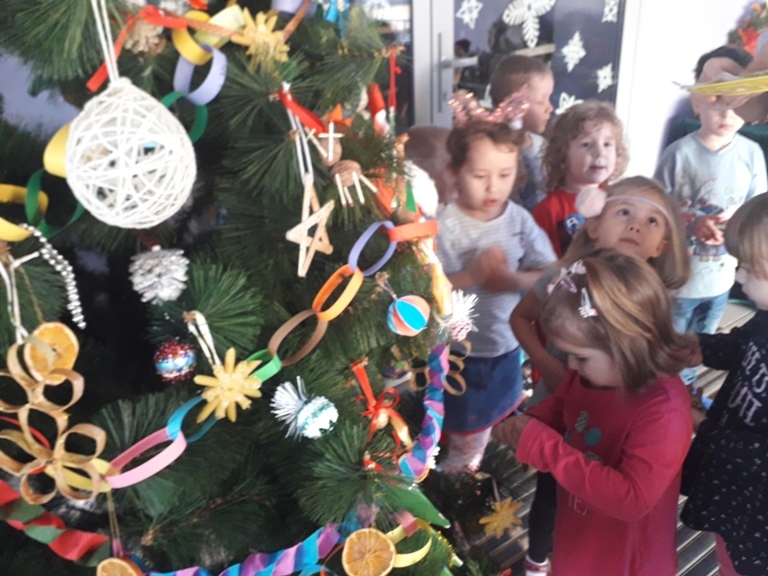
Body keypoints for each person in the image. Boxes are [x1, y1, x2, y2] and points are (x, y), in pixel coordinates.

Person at [510, 176, 690, 575]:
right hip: (579, 533)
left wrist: (547, 448)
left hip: (624, 559)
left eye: (580, 357)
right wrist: (531, 422)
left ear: (626, 342)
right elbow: (564, 403)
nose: (570, 368)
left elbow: (632, 499)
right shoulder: (592, 376)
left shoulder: (664, 411)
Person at [435, 119, 556, 472]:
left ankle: (486, 468)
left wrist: (512, 280)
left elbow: (551, 272)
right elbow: (427, 290)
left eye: (505, 175)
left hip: (506, 345)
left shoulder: (517, 219)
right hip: (460, 353)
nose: (494, 187)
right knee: (463, 436)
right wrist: (472, 276)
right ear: (454, 171)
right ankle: (456, 480)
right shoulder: (444, 225)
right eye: (480, 175)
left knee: (498, 417)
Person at [654, 46, 768, 387]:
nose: (726, 106)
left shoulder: (751, 154)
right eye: (715, 94)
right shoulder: (679, 154)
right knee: (672, 343)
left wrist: (735, 225)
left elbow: (758, 212)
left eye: (735, 93)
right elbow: (658, 208)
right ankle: (664, 389)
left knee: (703, 342)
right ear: (696, 101)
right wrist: (690, 220)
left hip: (722, 278)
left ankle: (686, 390)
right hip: (681, 277)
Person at [680, 193, 768, 576]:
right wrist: (701, 347)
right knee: (726, 552)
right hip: (733, 490)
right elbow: (746, 345)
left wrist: (704, 427)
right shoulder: (766, 316)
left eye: (750, 268)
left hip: (758, 520)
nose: (739, 277)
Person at [532, 100, 628, 258]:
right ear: (562, 156)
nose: (600, 152)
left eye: (607, 144)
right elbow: (544, 266)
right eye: (587, 144)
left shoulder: (618, 200)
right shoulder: (548, 210)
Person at [489, 55, 555, 211]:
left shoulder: (541, 144)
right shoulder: (493, 149)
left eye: (549, 98)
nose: (550, 108)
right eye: (541, 101)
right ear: (513, 104)